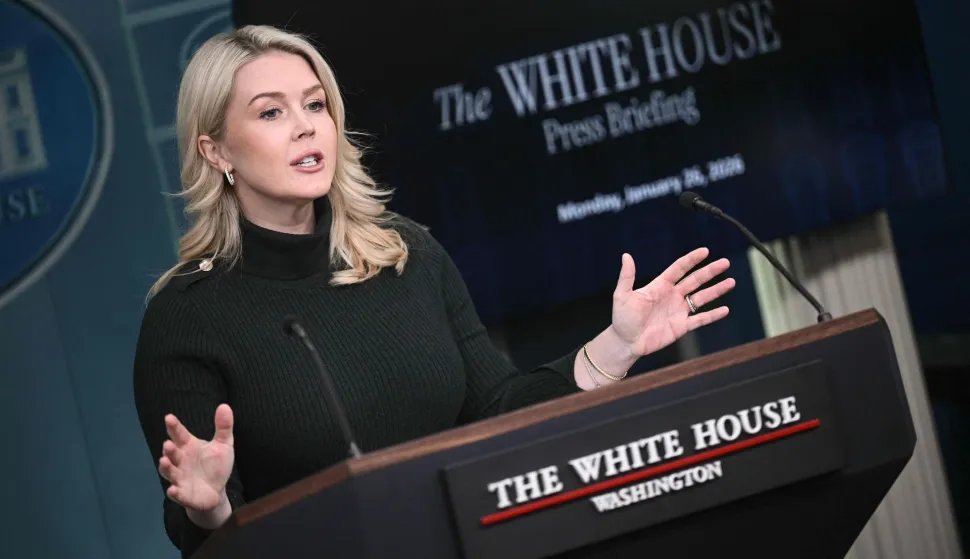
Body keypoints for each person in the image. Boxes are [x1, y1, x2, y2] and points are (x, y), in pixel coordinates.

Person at [132, 24, 735, 557]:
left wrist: (616, 346)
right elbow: (203, 526)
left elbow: (496, 410)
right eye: (271, 113)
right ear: (215, 150)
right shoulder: (187, 318)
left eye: (315, 104)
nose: (305, 127)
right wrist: (209, 509)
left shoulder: (402, 251)